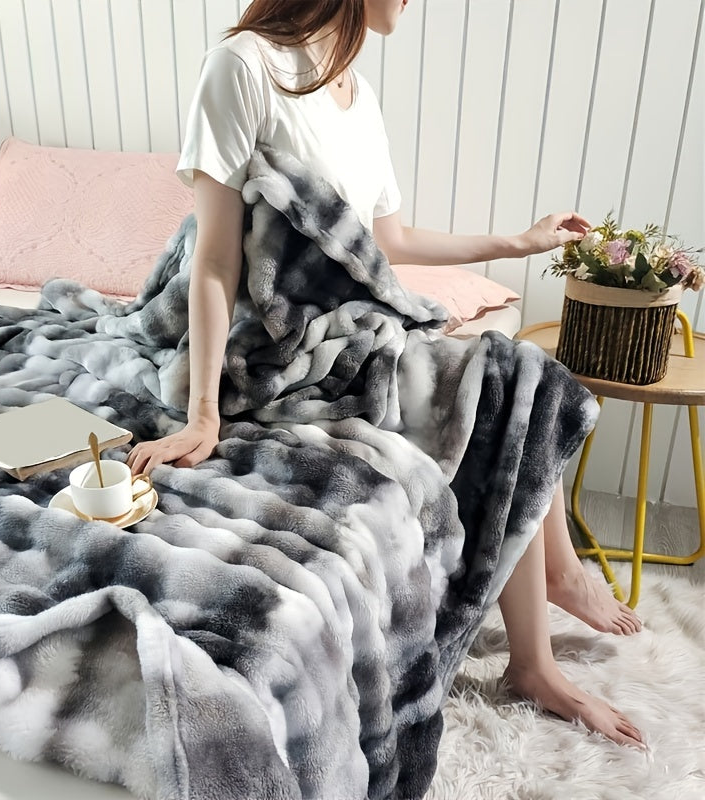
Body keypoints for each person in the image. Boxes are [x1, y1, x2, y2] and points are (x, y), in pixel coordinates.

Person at [127, 0, 644, 748]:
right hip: (270, 340)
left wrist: (517, 240)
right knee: (503, 376)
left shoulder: (356, 94)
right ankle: (542, 632)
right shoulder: (243, 67)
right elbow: (215, 257)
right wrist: (203, 414)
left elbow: (388, 241)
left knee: (515, 371)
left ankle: (544, 617)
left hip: (351, 324)